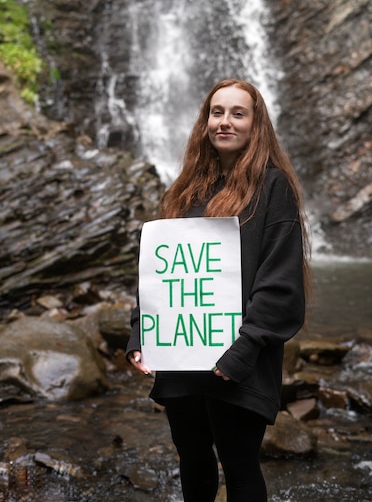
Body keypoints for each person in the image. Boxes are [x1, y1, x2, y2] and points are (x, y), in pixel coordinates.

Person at [126, 78, 311, 502]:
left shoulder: (272, 187)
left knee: (241, 467)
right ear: (205, 121)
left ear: (256, 125)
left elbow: (281, 284)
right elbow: (160, 273)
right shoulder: (183, 192)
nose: (224, 122)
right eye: (217, 112)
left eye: (237, 113)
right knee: (192, 459)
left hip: (238, 359)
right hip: (181, 357)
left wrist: (243, 351)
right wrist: (141, 335)